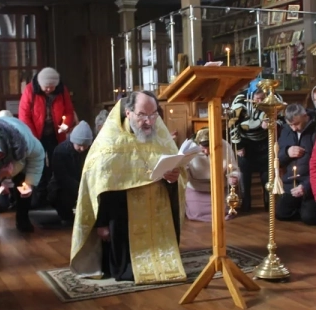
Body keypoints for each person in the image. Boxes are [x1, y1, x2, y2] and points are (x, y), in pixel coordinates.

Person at [70, 91, 186, 284]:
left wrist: (173, 178)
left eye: (153, 115)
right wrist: (102, 223)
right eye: (142, 115)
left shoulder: (161, 138)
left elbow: (177, 176)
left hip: (158, 211)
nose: (148, 121)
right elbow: (100, 187)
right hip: (122, 214)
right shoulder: (110, 143)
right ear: (128, 112)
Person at [18, 67, 75, 206]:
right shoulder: (30, 90)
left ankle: (54, 195)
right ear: (40, 84)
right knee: (38, 163)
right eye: (46, 87)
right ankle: (38, 196)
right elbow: (24, 115)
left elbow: (69, 111)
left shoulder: (62, 90)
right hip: (36, 134)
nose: (49, 90)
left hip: (56, 133)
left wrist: (66, 124)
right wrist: (32, 136)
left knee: (56, 162)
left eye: (51, 87)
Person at [179, 128, 240, 222]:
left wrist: (233, 177)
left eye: (210, 148)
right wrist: (185, 174)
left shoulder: (224, 145)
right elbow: (182, 170)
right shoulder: (190, 147)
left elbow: (233, 169)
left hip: (218, 188)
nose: (207, 152)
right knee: (196, 212)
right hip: (197, 188)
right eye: (203, 149)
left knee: (223, 212)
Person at [276, 103, 316, 224]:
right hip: (291, 183)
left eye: (296, 124)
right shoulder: (286, 130)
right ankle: (300, 208)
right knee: (281, 213)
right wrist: (286, 152)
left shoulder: (315, 130)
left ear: (305, 116)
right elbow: (278, 157)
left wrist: (306, 186)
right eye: (290, 125)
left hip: (310, 183)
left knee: (309, 218)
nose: (294, 128)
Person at [229, 86, 268, 211]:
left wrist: (270, 122)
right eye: (258, 98)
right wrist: (239, 146)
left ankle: (269, 204)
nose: (261, 101)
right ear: (251, 96)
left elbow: (281, 119)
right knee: (244, 175)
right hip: (245, 143)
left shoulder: (273, 97)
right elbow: (232, 124)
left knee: (267, 175)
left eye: (263, 98)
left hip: (264, 142)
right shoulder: (240, 101)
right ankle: (246, 206)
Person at [48, 121, 93, 223]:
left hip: (83, 183)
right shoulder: (60, 151)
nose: (82, 149)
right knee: (62, 197)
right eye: (79, 145)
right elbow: (61, 177)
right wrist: (80, 188)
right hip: (64, 186)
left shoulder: (90, 151)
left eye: (85, 146)